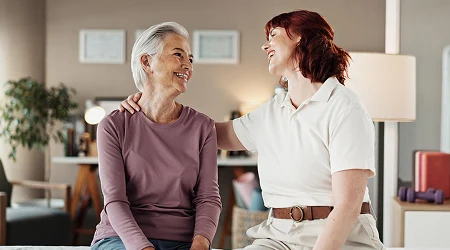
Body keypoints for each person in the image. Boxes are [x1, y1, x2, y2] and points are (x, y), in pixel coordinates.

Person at [120, 10, 384, 250]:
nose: (265, 45)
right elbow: (206, 133)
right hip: (279, 237)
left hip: (342, 238)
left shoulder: (343, 105)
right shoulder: (272, 111)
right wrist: (147, 107)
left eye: (274, 35)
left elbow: (348, 206)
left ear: (302, 39)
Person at [91, 22, 222, 250]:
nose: (187, 65)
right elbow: (115, 201)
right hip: (120, 239)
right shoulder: (113, 125)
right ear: (146, 62)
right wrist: (144, 248)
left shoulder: (203, 127)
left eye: (190, 58)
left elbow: (208, 198)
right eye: (177, 54)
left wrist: (200, 244)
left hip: (183, 241)